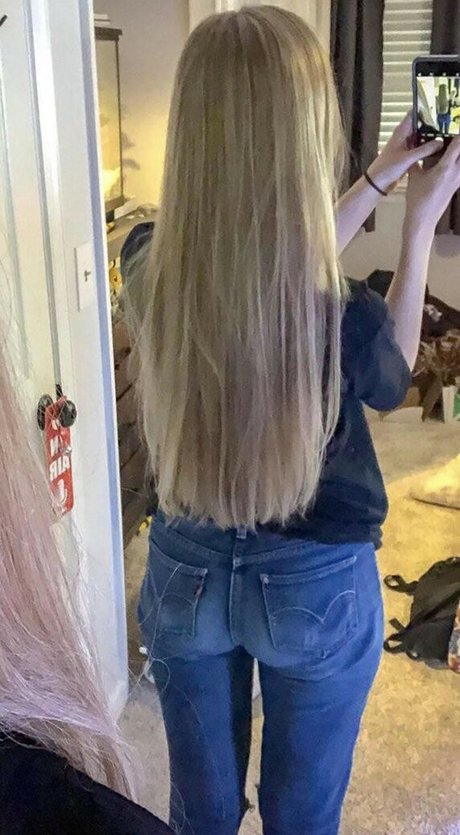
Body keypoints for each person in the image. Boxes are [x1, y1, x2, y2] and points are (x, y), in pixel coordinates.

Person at [123, 8, 460, 835]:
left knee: (200, 816)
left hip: (184, 567)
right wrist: (419, 220)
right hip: (315, 576)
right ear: (304, 138)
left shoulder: (146, 265)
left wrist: (380, 178)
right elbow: (391, 379)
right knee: (302, 819)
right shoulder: (341, 314)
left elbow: (258, 270)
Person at [0, 338, 171, 831]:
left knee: (208, 785)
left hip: (188, 548)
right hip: (310, 556)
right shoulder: (59, 807)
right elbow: (378, 382)